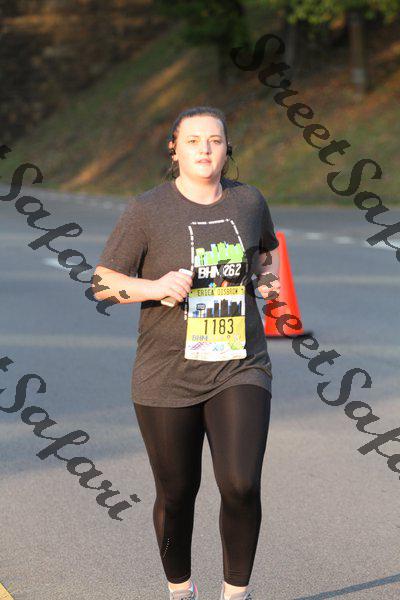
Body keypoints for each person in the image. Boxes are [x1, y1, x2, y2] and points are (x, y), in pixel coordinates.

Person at [93, 106, 280, 600]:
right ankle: (181, 589)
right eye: (193, 140)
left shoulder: (249, 201)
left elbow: (264, 254)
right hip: (166, 374)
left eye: (214, 140)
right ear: (174, 149)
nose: (204, 149)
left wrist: (266, 283)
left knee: (241, 483)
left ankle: (236, 593)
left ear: (227, 149)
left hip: (239, 365)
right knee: (177, 494)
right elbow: (102, 283)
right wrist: (155, 287)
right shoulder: (147, 210)